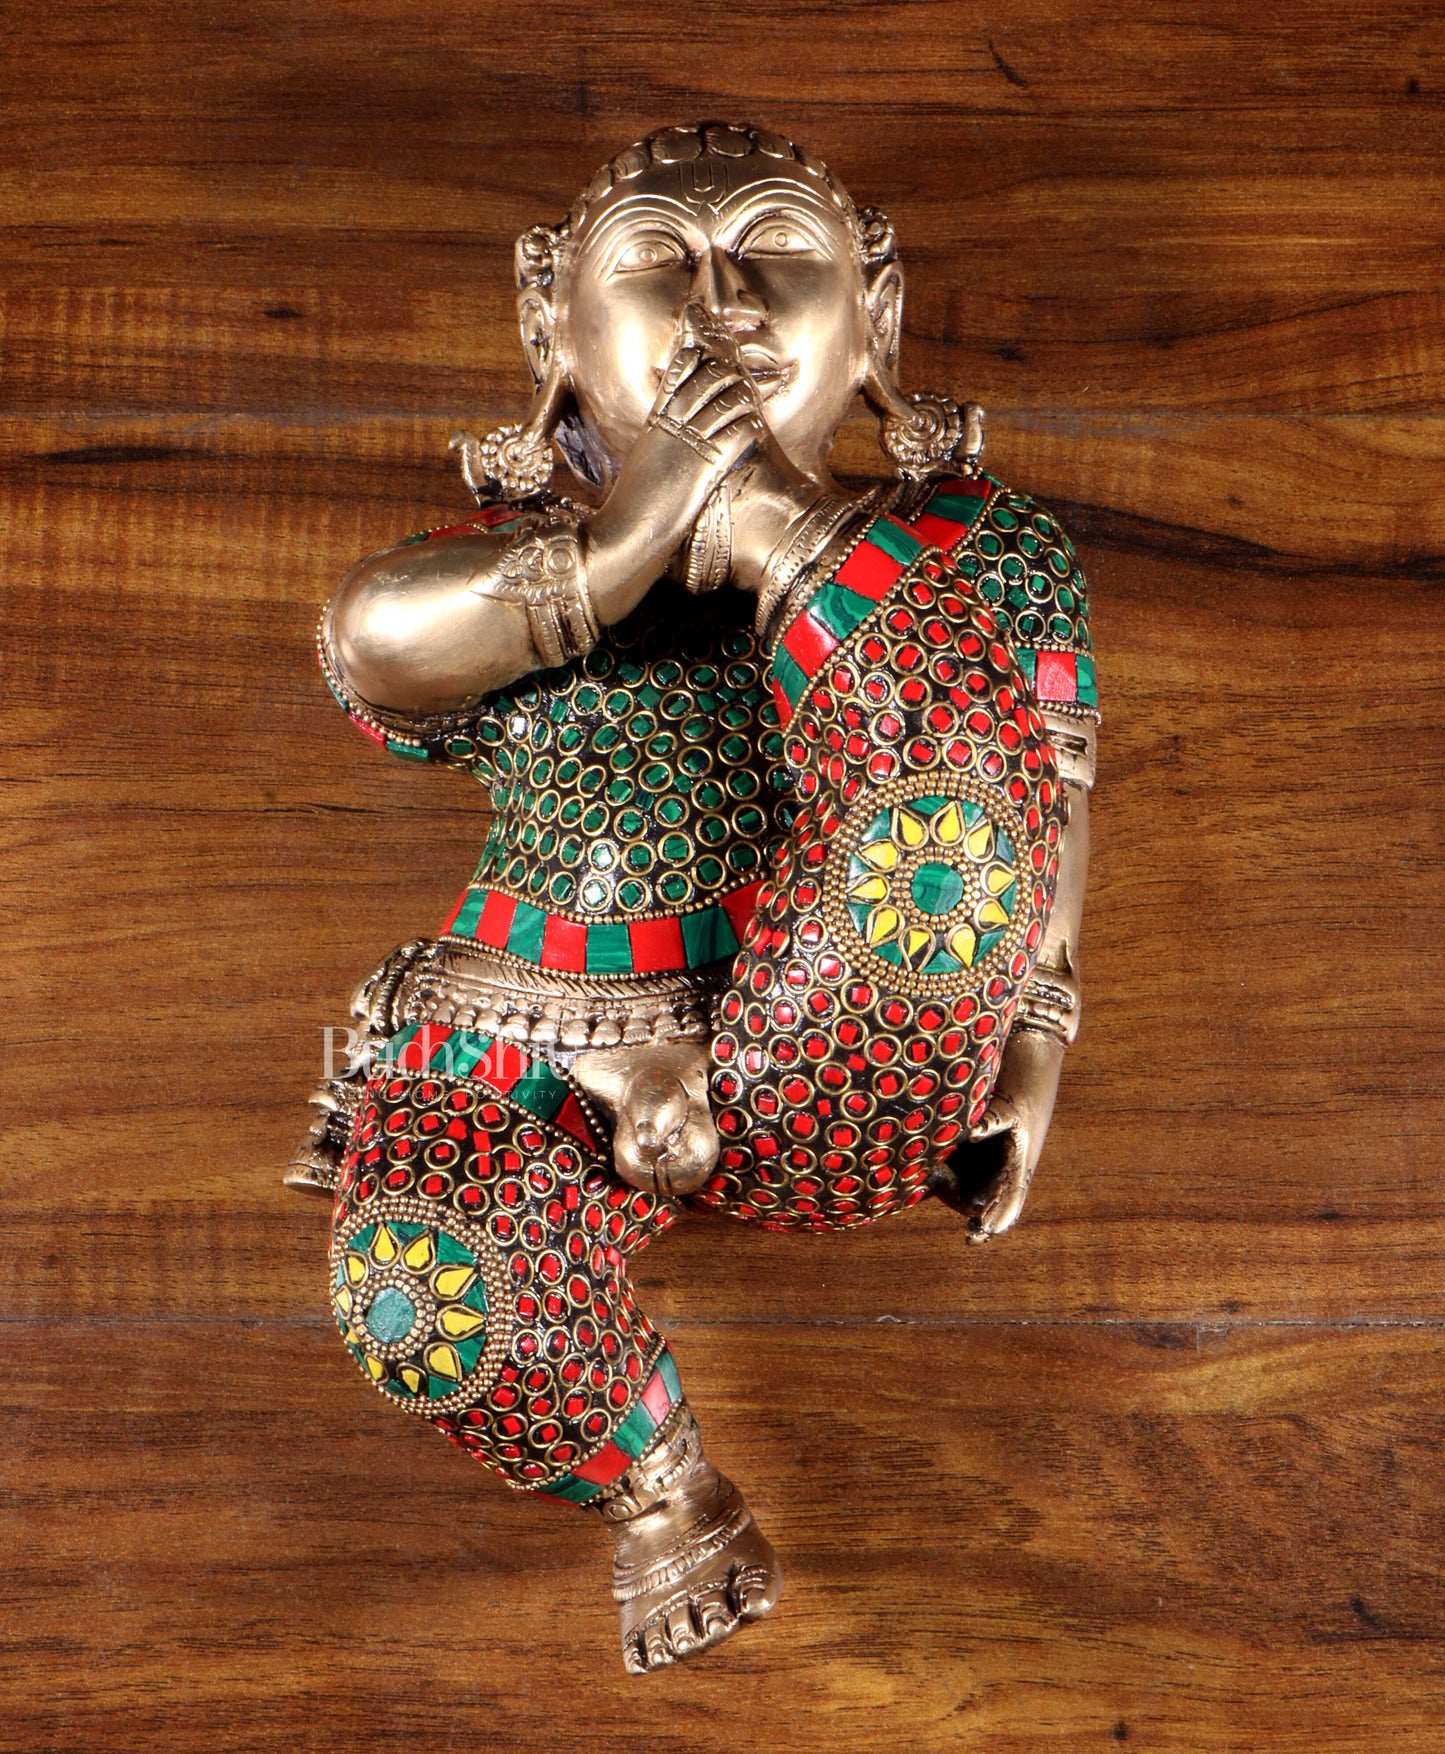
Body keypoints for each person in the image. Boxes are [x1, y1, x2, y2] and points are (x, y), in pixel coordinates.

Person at [289, 122, 1098, 1673]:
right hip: (520, 1046)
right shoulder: (512, 562)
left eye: (777, 250)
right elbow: (372, 647)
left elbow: (1029, 795)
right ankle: (662, 1488)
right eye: (657, 262)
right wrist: (619, 548)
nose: (721, 301)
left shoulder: (972, 548)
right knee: (410, 1287)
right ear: (551, 324)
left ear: (877, 314)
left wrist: (1034, 1025)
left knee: (948, 794)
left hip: (827, 1034)